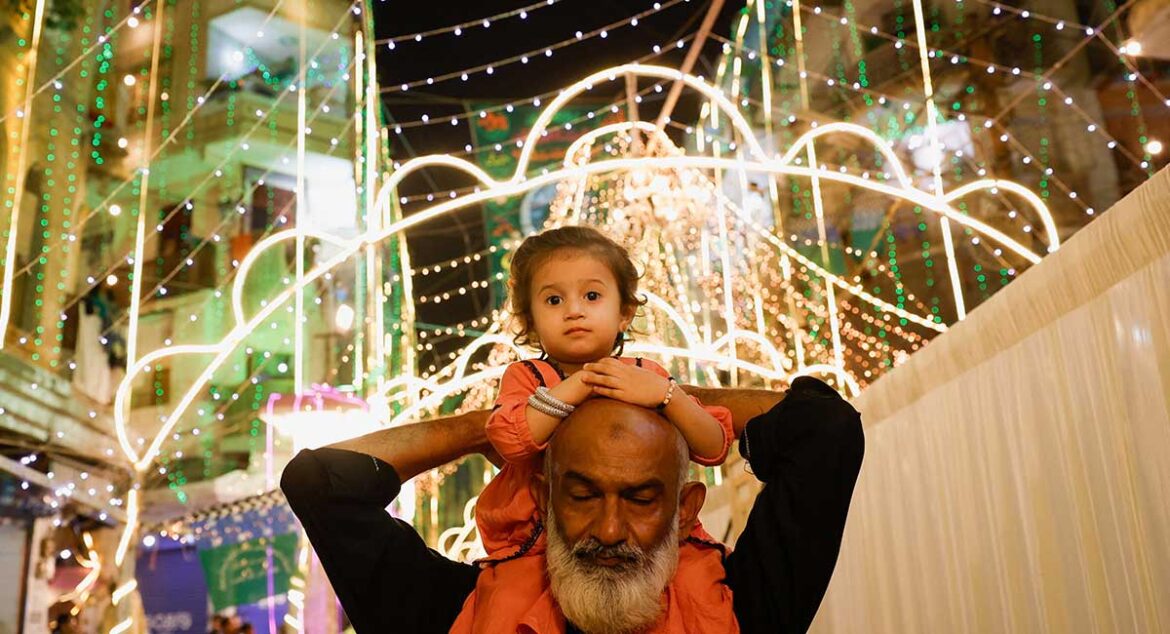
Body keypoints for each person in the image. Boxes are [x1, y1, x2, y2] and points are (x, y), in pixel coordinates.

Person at [282, 375, 864, 633]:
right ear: (543, 496)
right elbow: (320, 483)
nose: (609, 529)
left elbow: (827, 429)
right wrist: (491, 427)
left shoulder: (744, 610)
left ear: (686, 511)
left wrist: (659, 391)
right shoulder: (459, 614)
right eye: (583, 495)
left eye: (641, 499)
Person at [468, 226, 736, 631]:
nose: (573, 310)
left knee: (702, 589)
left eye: (592, 296)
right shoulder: (527, 377)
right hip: (540, 544)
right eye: (554, 300)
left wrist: (668, 395)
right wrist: (578, 386)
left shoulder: (646, 374)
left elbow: (714, 445)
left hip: (653, 545)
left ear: (624, 312)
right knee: (502, 604)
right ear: (529, 319)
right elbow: (510, 438)